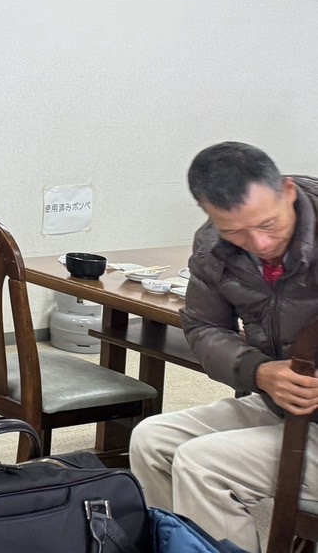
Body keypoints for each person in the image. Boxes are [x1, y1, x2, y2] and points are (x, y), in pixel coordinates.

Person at [130, 142, 318, 551]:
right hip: (288, 408)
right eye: (235, 231)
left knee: (203, 465)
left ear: (288, 191)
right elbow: (203, 327)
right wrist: (260, 372)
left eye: (268, 224)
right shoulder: (213, 246)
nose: (259, 243)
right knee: (152, 440)